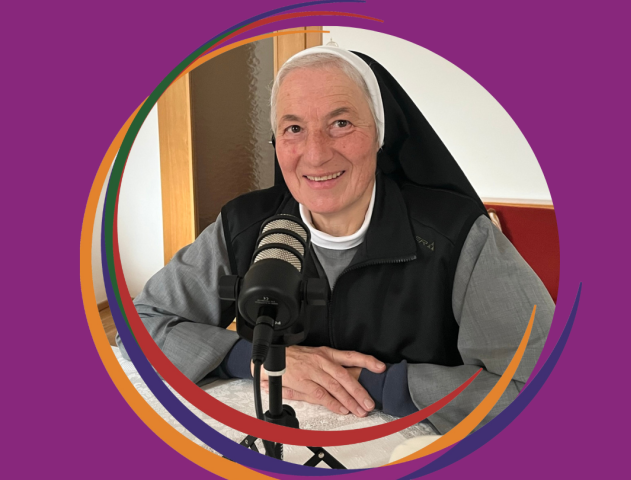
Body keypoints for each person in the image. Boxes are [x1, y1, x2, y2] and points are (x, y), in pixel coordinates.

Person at [117, 46, 554, 434]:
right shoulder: (243, 226)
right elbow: (139, 325)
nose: (316, 153)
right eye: (293, 128)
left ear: (379, 134)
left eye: (340, 123)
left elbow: (538, 385)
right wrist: (255, 360)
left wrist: (385, 384)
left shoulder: (458, 236)